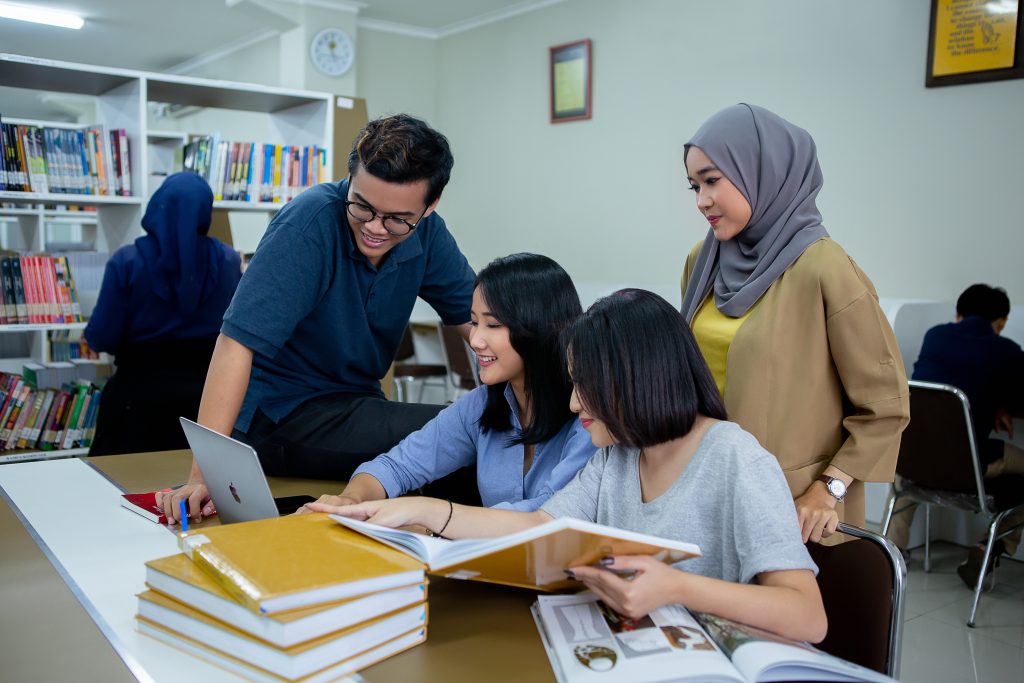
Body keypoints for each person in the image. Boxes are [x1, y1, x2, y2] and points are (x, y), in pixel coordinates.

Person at [309, 290, 827, 643]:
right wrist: (417, 510)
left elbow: (807, 616)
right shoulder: (618, 459)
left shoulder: (737, 459)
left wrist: (677, 587)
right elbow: (537, 525)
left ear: (634, 381)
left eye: (586, 387)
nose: (575, 404)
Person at [161, 114, 476, 524]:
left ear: (430, 207)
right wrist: (206, 476)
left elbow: (480, 323)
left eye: (397, 219)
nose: (375, 229)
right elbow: (236, 343)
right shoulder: (308, 225)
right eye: (362, 206)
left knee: (478, 424)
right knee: (462, 433)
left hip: (355, 406)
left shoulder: (429, 234)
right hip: (281, 417)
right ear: (350, 180)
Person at [679, 103, 910, 543]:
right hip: (701, 488)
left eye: (712, 181)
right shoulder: (702, 260)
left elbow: (886, 407)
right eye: (694, 186)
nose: (702, 200)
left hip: (792, 508)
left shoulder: (825, 268)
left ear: (761, 171)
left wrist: (830, 488)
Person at [304, 253, 595, 512]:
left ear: (541, 328)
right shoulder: (482, 405)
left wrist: (428, 515)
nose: (475, 340)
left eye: (493, 325)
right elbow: (397, 465)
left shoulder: (589, 416)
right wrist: (352, 500)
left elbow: (546, 514)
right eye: (474, 322)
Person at [85, 172, 241, 455]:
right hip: (207, 403)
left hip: (137, 401)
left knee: (122, 486)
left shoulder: (127, 261)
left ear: (157, 205)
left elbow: (101, 337)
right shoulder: (228, 260)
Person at [886, 284, 1024, 586]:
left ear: (958, 315)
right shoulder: (1005, 350)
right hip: (966, 467)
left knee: (910, 462)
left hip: (912, 464)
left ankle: (892, 551)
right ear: (1000, 322)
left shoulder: (934, 336)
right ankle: (989, 548)